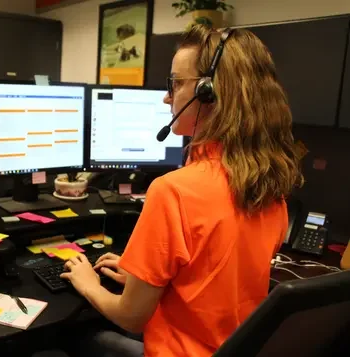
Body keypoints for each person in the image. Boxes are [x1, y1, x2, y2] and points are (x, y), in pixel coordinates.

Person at [59, 25, 304, 357]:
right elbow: (214, 281)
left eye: (174, 84)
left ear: (207, 92)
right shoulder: (270, 184)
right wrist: (145, 280)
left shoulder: (174, 191)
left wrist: (89, 284)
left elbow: (131, 317)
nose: (166, 96)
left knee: (69, 341)